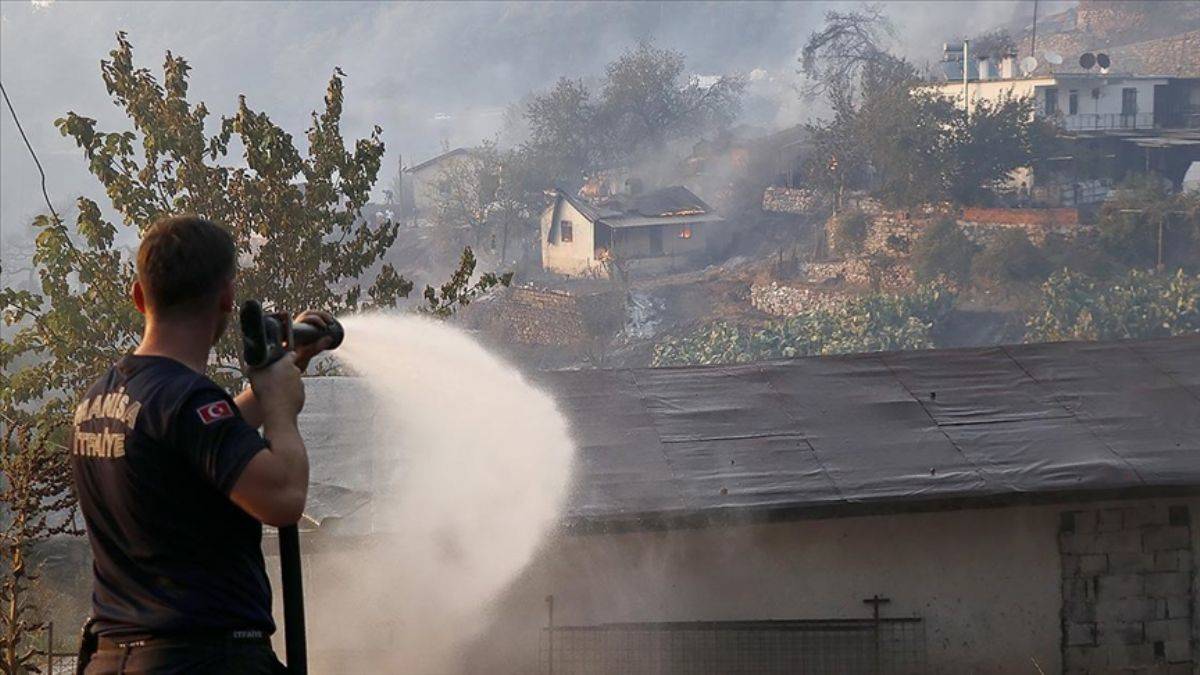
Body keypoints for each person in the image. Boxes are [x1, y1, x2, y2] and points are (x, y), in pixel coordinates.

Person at [71, 215, 334, 674]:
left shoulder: (102, 398)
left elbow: (201, 442)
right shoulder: (188, 401)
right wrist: (280, 409)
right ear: (227, 297)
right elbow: (284, 498)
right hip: (201, 659)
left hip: (113, 658)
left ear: (139, 296)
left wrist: (279, 373)